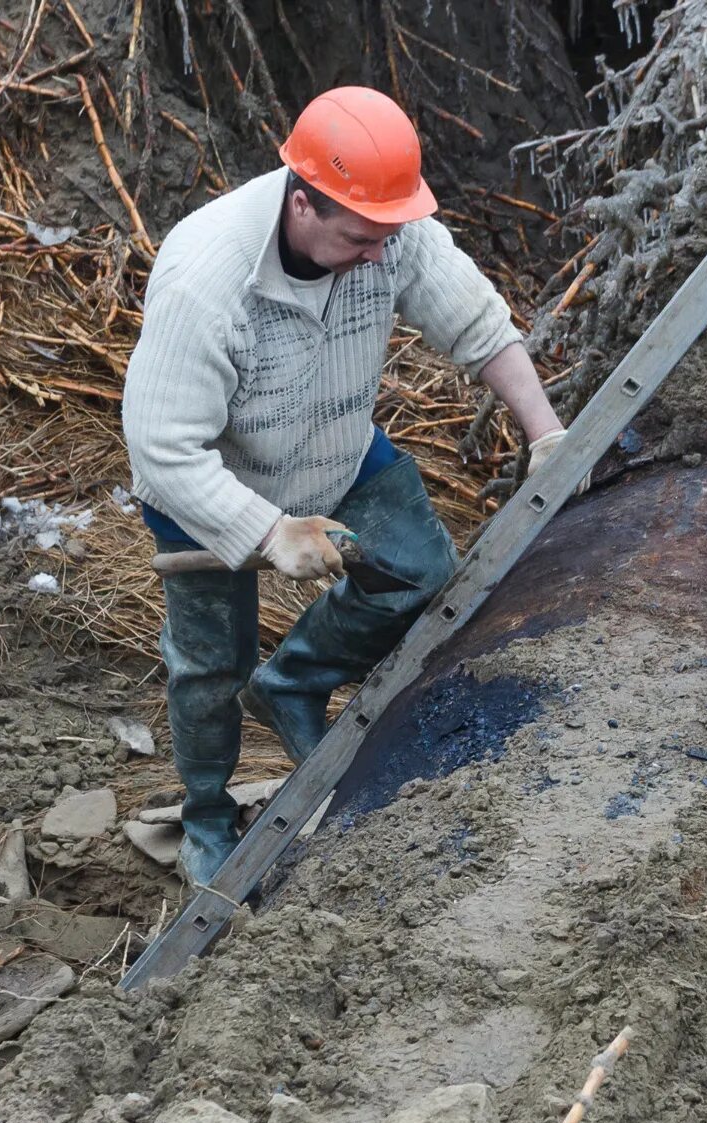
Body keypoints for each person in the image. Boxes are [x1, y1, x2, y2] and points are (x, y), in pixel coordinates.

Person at [122, 86, 567, 883]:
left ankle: (294, 682)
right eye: (362, 239)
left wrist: (547, 433)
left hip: (335, 446)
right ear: (303, 203)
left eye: (387, 236)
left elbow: (476, 323)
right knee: (209, 669)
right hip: (211, 490)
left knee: (419, 573)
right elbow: (163, 450)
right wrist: (267, 533)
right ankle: (208, 824)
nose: (379, 254)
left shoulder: (387, 228)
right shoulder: (208, 281)